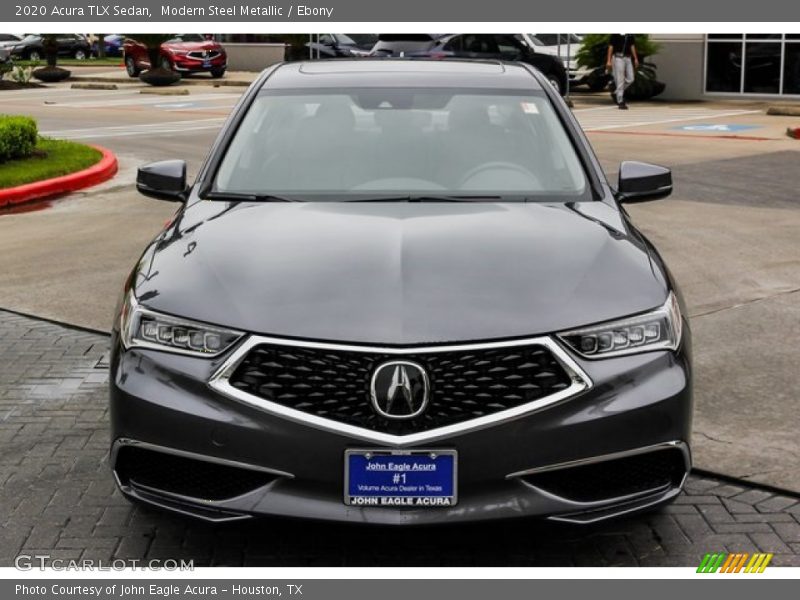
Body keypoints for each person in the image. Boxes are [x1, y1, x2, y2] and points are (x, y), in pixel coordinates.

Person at [606, 34, 639, 110]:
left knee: (631, 79)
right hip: (618, 58)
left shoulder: (630, 35)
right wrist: (608, 61)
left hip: (628, 58)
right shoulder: (615, 34)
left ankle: (617, 91)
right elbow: (611, 47)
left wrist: (635, 58)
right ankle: (620, 101)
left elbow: (632, 46)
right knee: (620, 80)